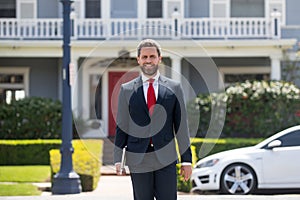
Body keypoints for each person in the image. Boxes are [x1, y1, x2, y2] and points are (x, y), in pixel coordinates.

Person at [114, 39, 192, 200]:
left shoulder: (174, 88)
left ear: (159, 58)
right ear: (138, 60)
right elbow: (122, 126)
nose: (148, 60)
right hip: (138, 158)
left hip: (166, 157)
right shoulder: (126, 89)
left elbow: (181, 127)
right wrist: (117, 159)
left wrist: (186, 160)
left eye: (152, 56)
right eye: (144, 57)